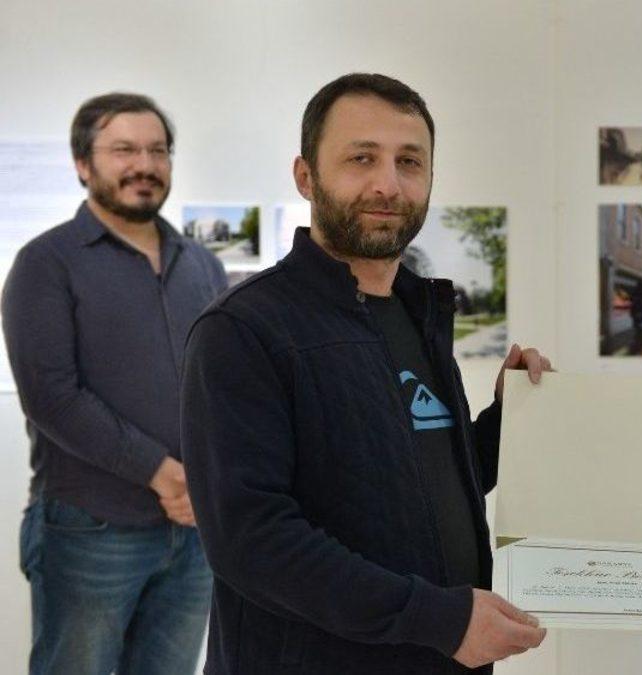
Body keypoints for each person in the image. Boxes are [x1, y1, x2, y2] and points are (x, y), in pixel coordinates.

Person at [181, 73, 549, 674]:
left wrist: (511, 420)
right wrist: (441, 619)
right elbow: (251, 542)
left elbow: (419, 483)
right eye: (361, 158)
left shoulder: (417, 313)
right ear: (306, 177)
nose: (388, 184)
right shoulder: (243, 330)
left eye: (410, 162)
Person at [2, 92, 226, 674]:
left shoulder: (203, 266)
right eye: (124, 150)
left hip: (194, 531)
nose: (144, 165)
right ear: (83, 164)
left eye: (157, 150)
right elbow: (52, 396)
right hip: (90, 529)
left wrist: (208, 480)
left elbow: (222, 387)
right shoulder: (45, 263)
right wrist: (162, 472)